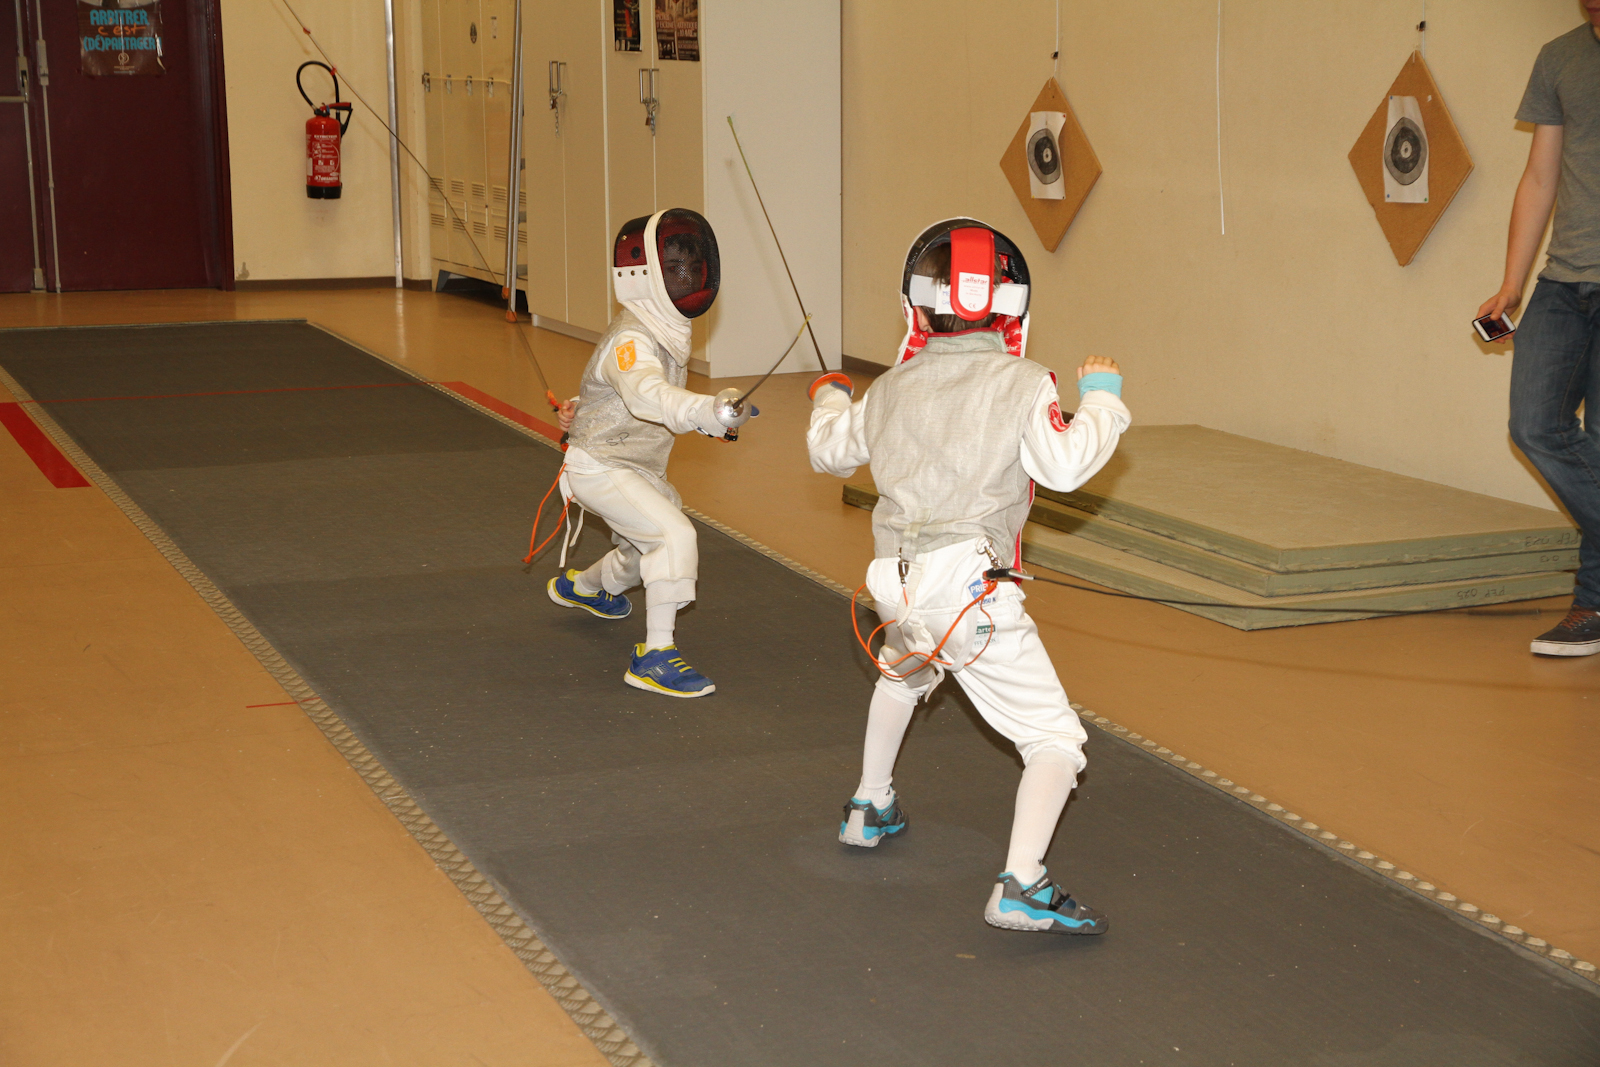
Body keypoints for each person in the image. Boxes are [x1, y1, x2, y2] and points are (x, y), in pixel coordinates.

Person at [806, 218, 1130, 934]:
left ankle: (868, 805)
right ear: (1009, 304)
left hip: (893, 583)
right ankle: (1022, 885)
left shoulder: (891, 386)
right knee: (1055, 740)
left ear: (919, 303)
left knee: (905, 671)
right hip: (968, 589)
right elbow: (1064, 466)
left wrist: (830, 396)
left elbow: (829, 451)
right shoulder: (1023, 381)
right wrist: (1103, 399)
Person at [547, 208, 753, 697]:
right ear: (644, 275)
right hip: (599, 465)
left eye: (693, 266)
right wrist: (704, 410)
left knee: (639, 547)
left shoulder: (660, 329)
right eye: (676, 267)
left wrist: (581, 404)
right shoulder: (634, 337)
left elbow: (618, 388)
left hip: (636, 466)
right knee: (672, 537)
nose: (689, 276)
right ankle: (655, 656)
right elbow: (645, 393)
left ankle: (586, 588)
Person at [1478, 7, 1600, 657]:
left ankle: (1593, 603)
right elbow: (1540, 175)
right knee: (1533, 425)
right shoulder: (1560, 57)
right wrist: (1512, 283)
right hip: (1563, 281)